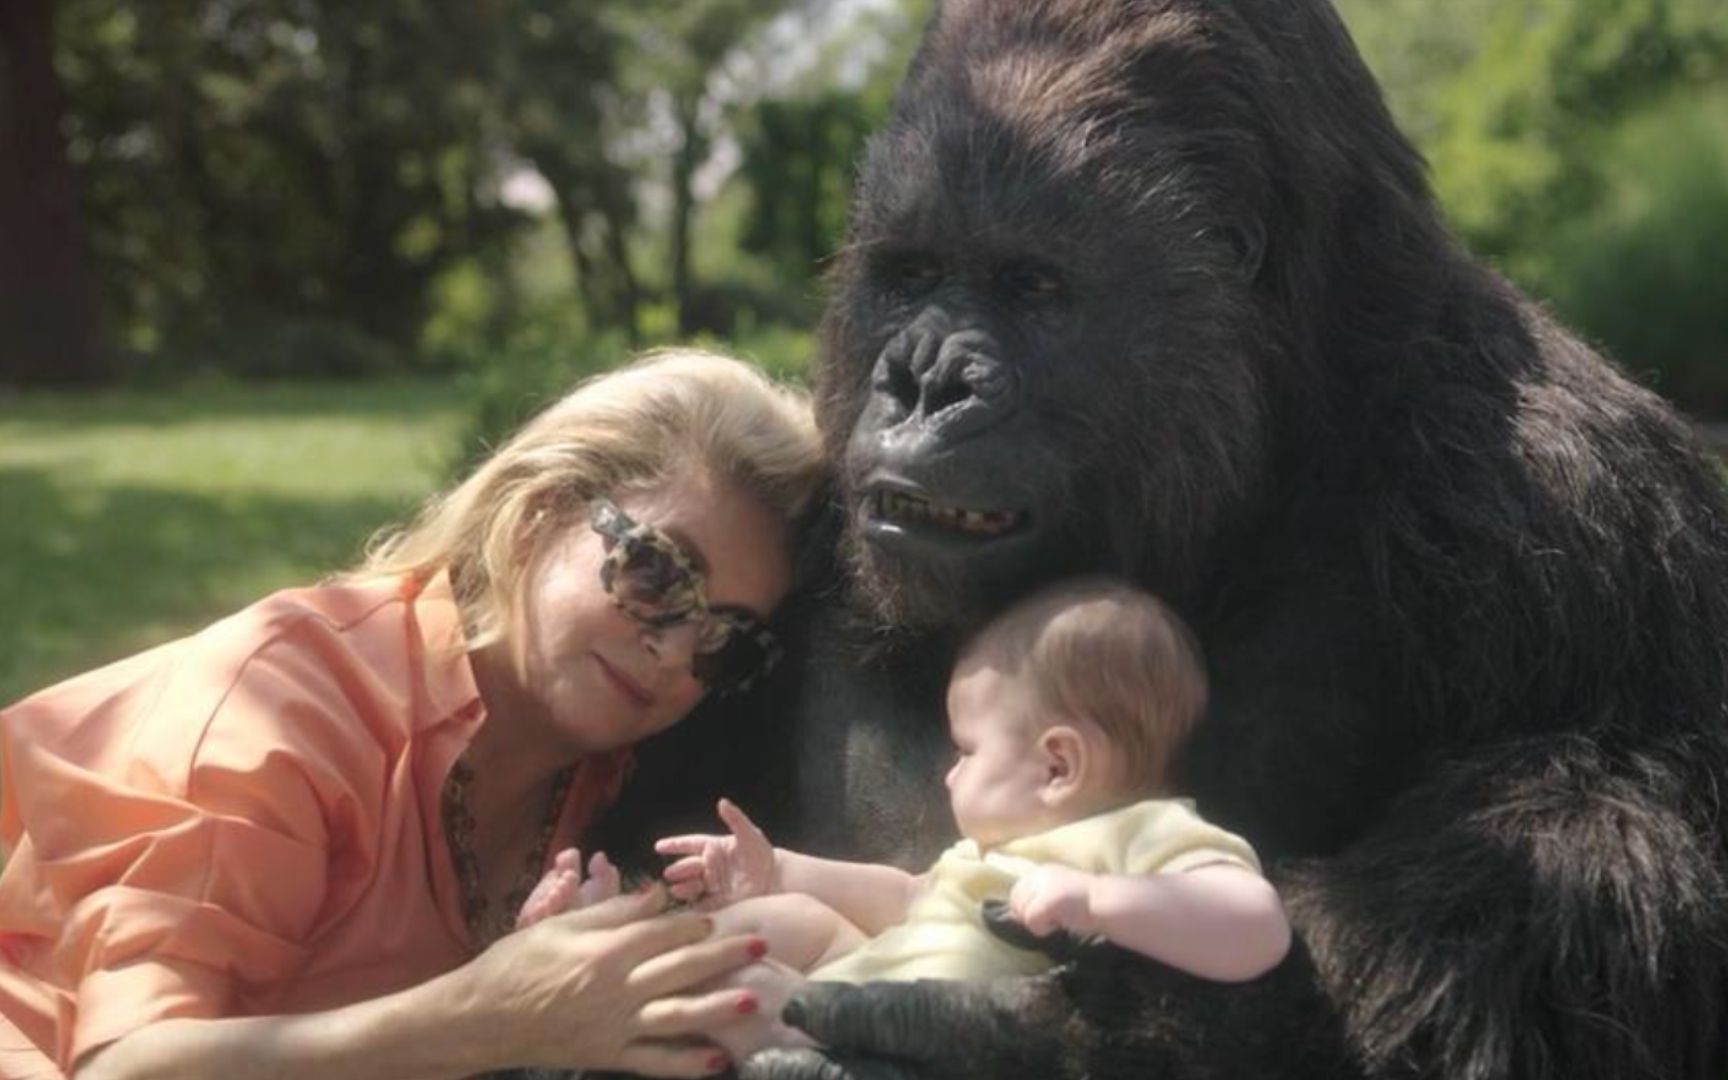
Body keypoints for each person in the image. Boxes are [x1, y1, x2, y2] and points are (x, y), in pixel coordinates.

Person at [0, 349, 827, 1080]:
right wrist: (484, 1020)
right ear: (538, 513)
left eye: (728, 643)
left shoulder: (613, 772)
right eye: (659, 576)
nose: (677, 653)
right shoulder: (285, 711)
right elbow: (129, 1068)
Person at [519, 577, 1293, 1057]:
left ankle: (617, 988)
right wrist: (782, 869)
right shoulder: (987, 858)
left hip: (894, 1049)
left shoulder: (1142, 833)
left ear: (1058, 765)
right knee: (779, 916)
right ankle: (609, 947)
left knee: (747, 979)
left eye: (967, 748)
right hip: (848, 996)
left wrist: (1097, 902)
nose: (949, 771)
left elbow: (1256, 927)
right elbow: (905, 898)